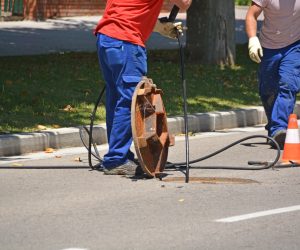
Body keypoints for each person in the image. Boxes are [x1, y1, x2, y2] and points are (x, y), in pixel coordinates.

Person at [94, 0, 192, 175]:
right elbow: (184, 3)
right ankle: (116, 159)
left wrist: (159, 26)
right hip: (126, 41)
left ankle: (119, 155)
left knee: (117, 99)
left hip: (107, 39)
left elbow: (131, 8)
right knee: (129, 100)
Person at [245, 0, 300, 149]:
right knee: (267, 90)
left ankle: (279, 129)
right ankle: (274, 127)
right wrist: (252, 39)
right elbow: (251, 15)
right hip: (269, 46)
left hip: (295, 46)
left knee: (288, 85)